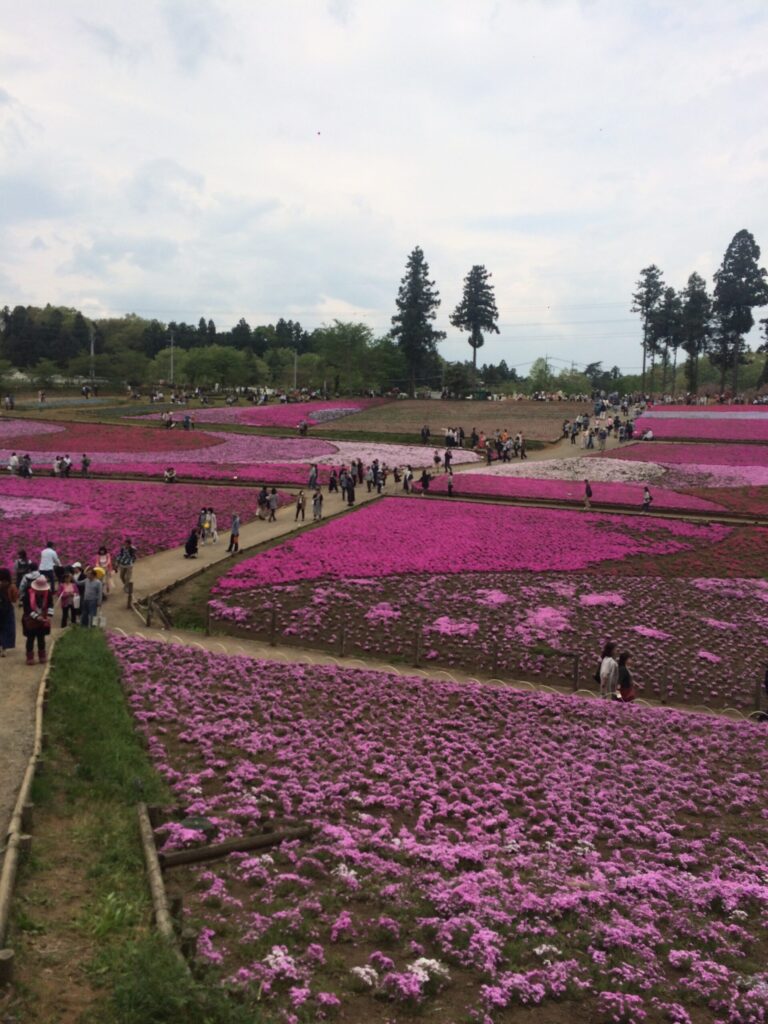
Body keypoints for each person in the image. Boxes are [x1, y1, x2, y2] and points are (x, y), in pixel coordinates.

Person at [22, 575, 53, 665]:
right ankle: (30, 657)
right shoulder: (28, 593)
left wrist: (49, 615)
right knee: (30, 638)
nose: (41, 591)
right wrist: (36, 616)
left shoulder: (48, 593)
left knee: (41, 638)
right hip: (31, 619)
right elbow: (26, 608)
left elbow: (50, 604)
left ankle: (42, 656)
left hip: (43, 619)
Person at [0, 568, 18, 657]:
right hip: (7, 609)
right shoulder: (12, 586)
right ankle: (4, 649)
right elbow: (14, 599)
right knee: (7, 628)